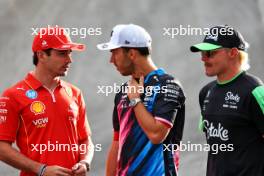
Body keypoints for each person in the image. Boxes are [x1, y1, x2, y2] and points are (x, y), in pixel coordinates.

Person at [0, 26, 94, 176]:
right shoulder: (12, 95)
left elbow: (85, 141)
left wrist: (85, 162)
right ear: (41, 55)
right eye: (62, 54)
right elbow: (2, 148)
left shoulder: (75, 93)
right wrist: (41, 169)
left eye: (70, 53)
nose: (69, 60)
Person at [97, 24, 185, 176]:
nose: (111, 60)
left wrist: (135, 100)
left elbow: (157, 135)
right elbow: (117, 143)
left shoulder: (168, 85)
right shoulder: (123, 91)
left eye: (114, 53)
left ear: (131, 54)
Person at [190, 25, 264, 176]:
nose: (203, 58)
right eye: (202, 53)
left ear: (233, 52)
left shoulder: (255, 90)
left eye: (210, 53)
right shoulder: (205, 93)